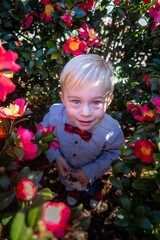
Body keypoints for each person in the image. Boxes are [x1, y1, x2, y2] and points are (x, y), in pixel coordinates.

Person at [41, 54, 125, 208]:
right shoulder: (53, 116)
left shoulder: (111, 130)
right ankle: (74, 191)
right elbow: (45, 136)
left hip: (93, 172)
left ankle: (95, 192)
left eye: (96, 102)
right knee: (71, 183)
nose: (85, 112)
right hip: (66, 168)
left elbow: (113, 153)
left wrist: (91, 170)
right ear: (63, 98)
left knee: (93, 184)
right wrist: (57, 157)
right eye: (76, 101)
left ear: (109, 101)